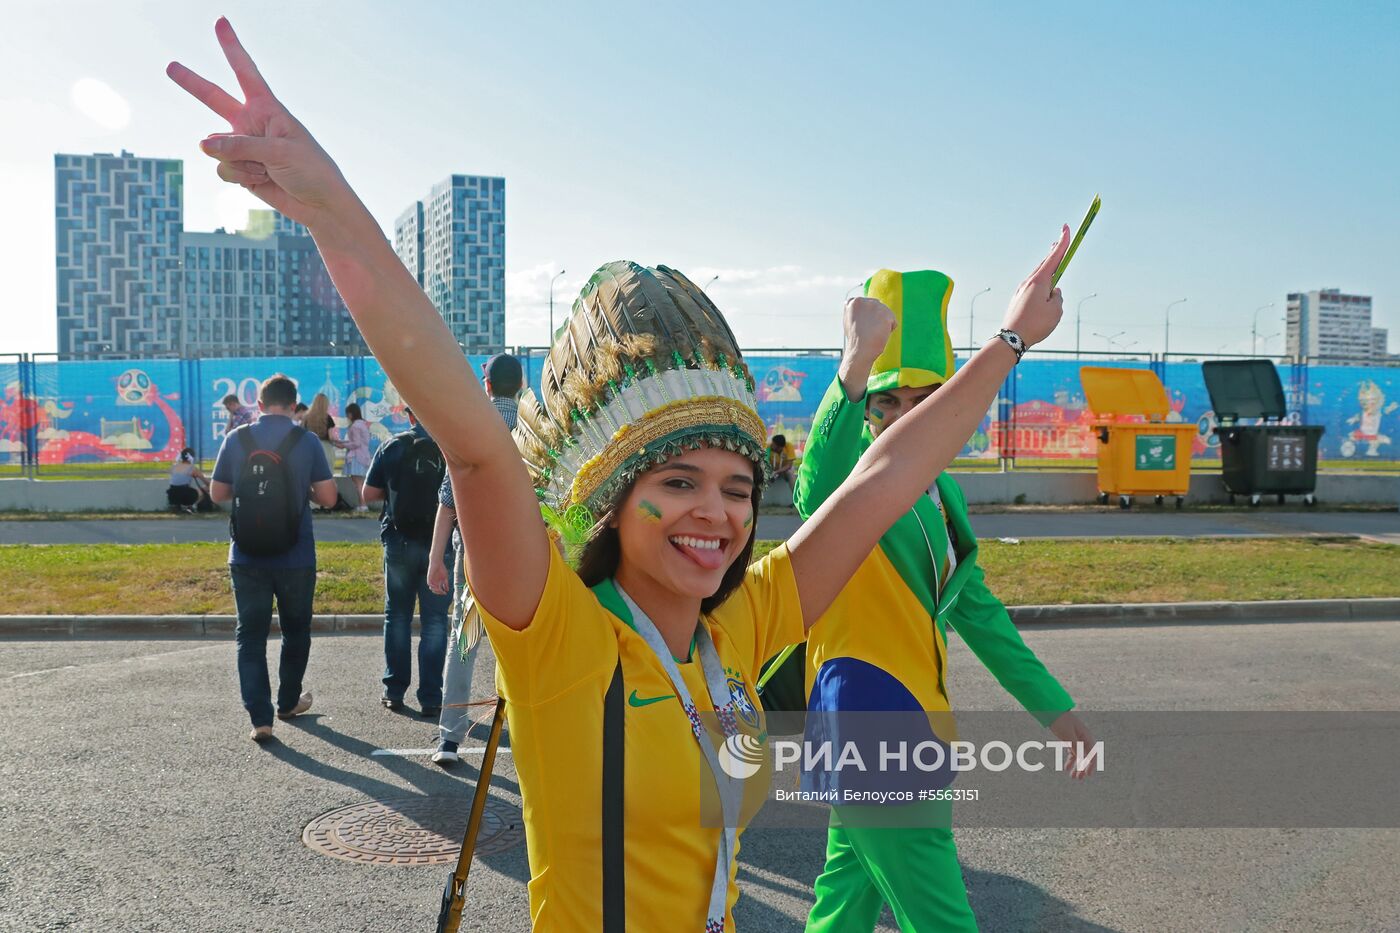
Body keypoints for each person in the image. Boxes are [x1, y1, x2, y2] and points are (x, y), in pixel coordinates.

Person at [170, 23, 1089, 927]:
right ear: (615, 498)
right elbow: (478, 444)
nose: (716, 513)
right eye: (679, 481)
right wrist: (331, 206)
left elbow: (883, 480)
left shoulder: (736, 629)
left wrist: (1010, 341)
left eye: (736, 487)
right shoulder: (560, 636)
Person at [795, 271, 1095, 933]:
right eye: (886, 404)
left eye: (924, 400)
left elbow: (979, 612)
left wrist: (1056, 710)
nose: (905, 419)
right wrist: (854, 366)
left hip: (903, 727)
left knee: (842, 907)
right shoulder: (857, 487)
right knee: (941, 918)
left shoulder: (944, 498)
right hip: (873, 726)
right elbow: (814, 491)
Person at [209, 372, 338, 742]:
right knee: (296, 631)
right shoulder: (307, 441)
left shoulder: (238, 438)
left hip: (246, 554)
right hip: (296, 554)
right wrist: (300, 490)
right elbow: (328, 498)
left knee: (249, 636)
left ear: (260, 405)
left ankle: (260, 719)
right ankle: (287, 702)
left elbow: (218, 492)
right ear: (295, 406)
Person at [426, 353, 521, 765]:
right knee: (522, 643)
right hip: (525, 552)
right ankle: (527, 733)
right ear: (519, 387)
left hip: (475, 551)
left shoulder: (470, 427)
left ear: (486, 386)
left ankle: (449, 739)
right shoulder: (538, 429)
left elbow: (448, 502)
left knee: (463, 641)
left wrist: (436, 559)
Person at [363, 407, 450, 718]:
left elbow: (367, 493)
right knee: (436, 622)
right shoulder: (449, 447)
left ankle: (394, 690)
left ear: (410, 416)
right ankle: (431, 696)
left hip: (399, 542)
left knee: (397, 616)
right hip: (439, 547)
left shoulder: (392, 446)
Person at [341, 402, 372, 510]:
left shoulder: (355, 426)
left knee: (358, 483)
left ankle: (363, 505)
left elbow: (356, 443)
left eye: (348, 414)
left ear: (351, 414)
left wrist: (343, 444)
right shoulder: (363, 424)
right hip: (363, 456)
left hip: (356, 456)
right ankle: (363, 504)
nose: (347, 416)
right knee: (360, 482)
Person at [303, 392, 340, 479]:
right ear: (326, 404)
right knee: (327, 476)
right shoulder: (327, 418)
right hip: (326, 448)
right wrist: (338, 442)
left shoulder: (306, 417)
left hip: (310, 448)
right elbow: (331, 437)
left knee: (311, 475)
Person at [167, 447, 212, 513]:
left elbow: (177, 478)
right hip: (185, 495)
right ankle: (191, 507)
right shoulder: (192, 468)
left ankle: (177, 506)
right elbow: (206, 482)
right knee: (205, 489)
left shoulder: (174, 467)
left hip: (171, 495)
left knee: (184, 489)